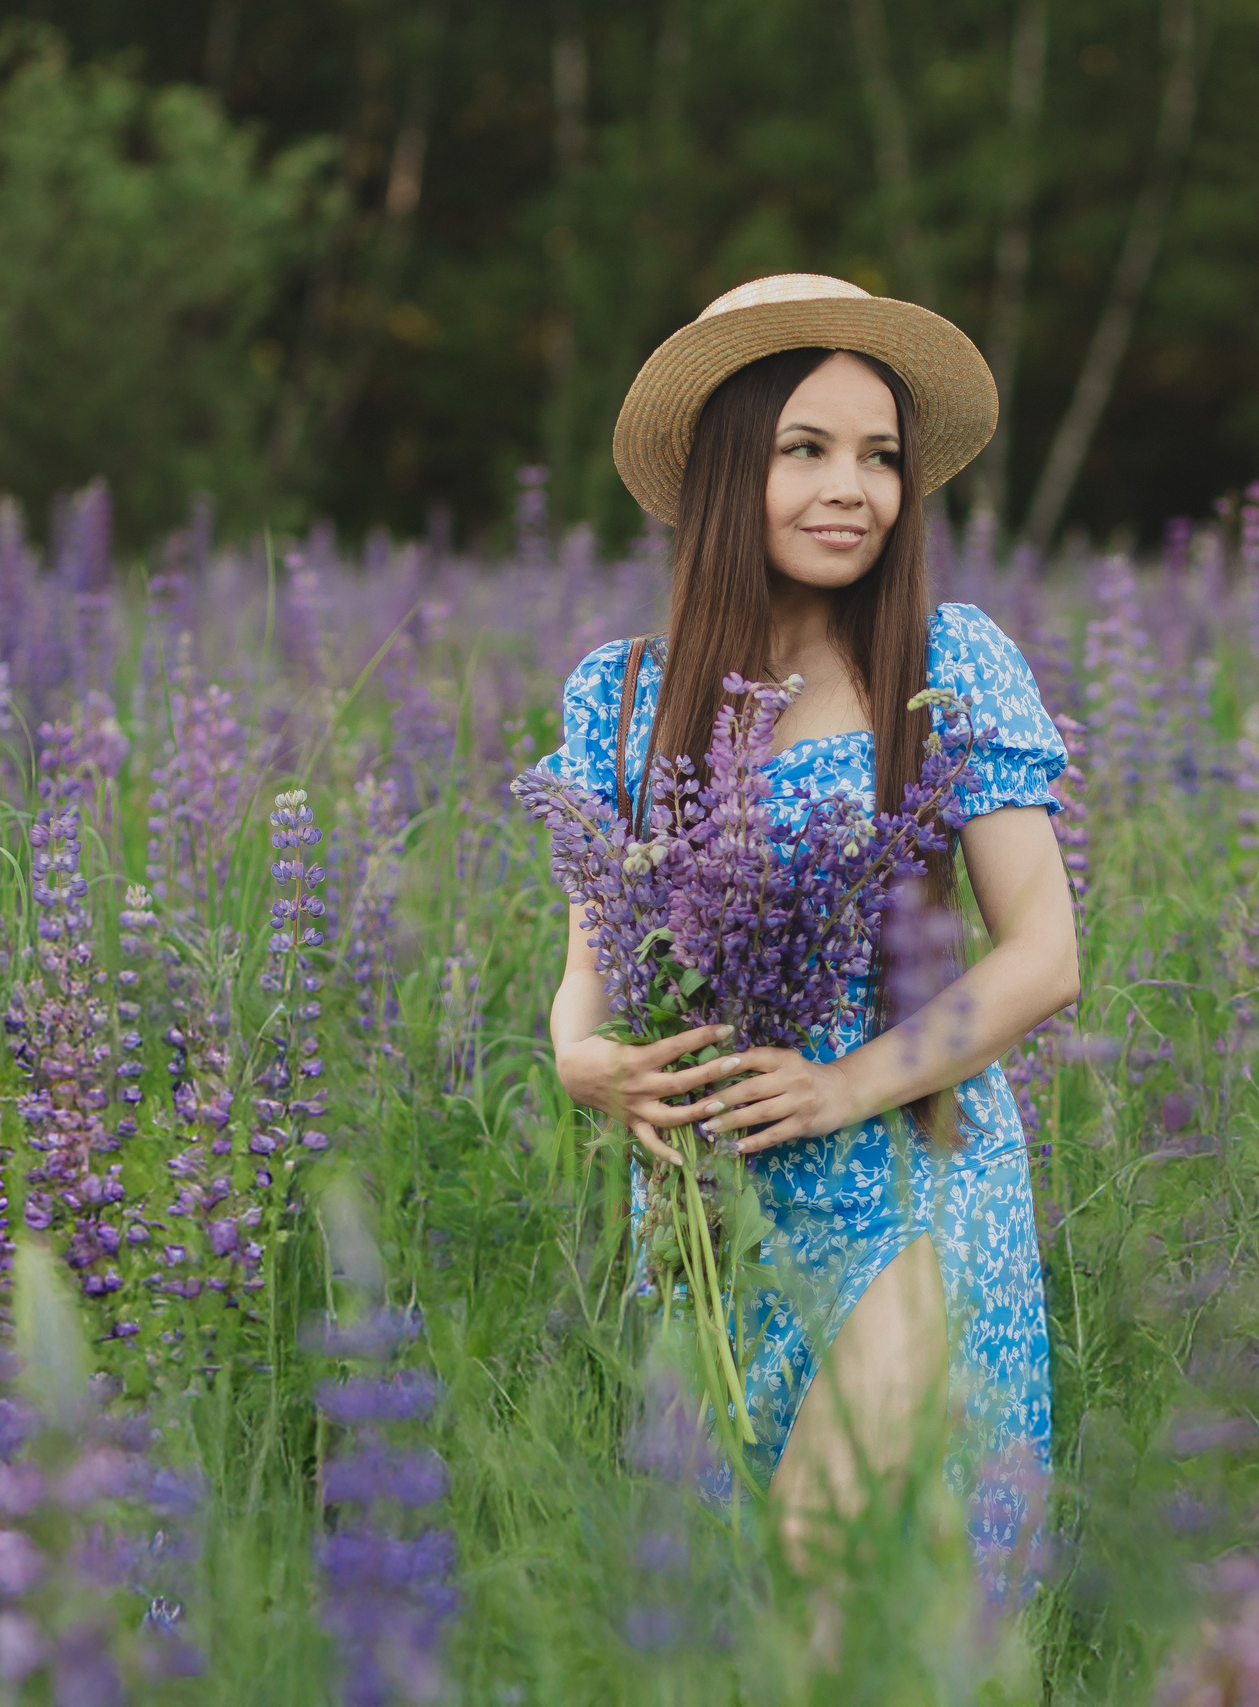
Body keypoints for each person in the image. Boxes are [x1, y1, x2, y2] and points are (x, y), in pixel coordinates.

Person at [531, 274, 1080, 1576]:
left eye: (881, 457)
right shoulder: (622, 695)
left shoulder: (945, 661)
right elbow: (587, 979)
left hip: (915, 1178)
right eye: (808, 449)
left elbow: (1045, 956)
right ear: (729, 469)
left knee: (839, 1561)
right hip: (716, 1215)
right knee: (762, 1617)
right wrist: (585, 1064)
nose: (854, 489)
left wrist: (842, 1086)